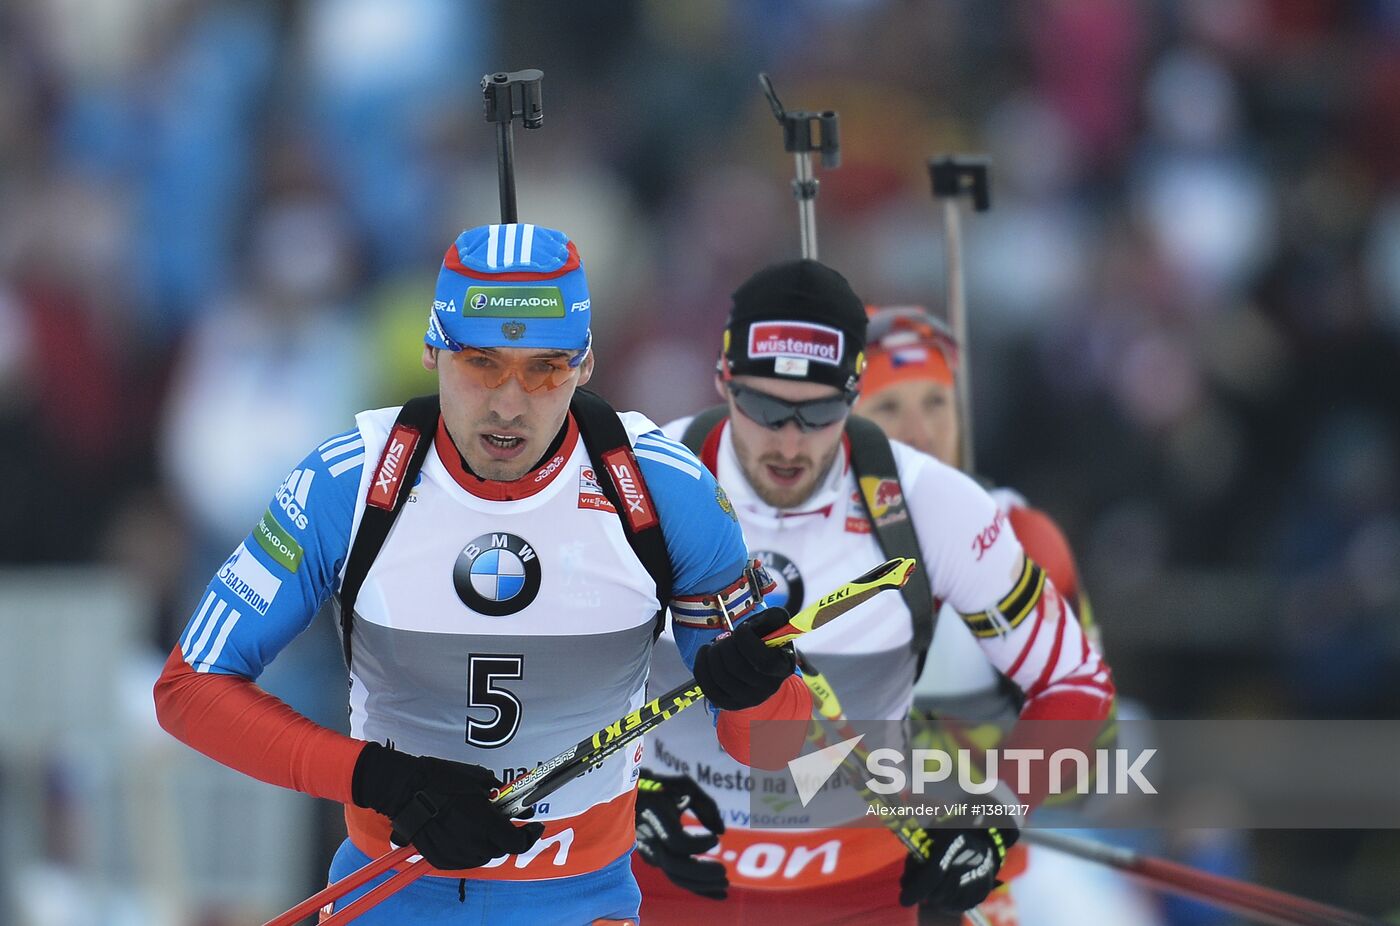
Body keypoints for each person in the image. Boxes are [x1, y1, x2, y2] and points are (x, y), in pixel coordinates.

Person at [152, 223, 814, 925]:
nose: (508, 403)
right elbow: (189, 686)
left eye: (544, 368)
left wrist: (759, 693)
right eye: (481, 363)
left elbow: (781, 751)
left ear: (586, 364)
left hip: (579, 902)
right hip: (387, 896)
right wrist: (383, 780)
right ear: (432, 351)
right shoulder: (350, 480)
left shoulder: (662, 490)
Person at [631, 260, 1115, 925]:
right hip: (669, 877)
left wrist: (993, 816)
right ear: (724, 381)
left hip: (857, 886)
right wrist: (632, 794)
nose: (789, 442)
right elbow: (549, 669)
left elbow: (1073, 681)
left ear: (855, 392)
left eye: (819, 412)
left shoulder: (930, 504)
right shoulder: (646, 479)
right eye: (764, 407)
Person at [856, 305, 1106, 925]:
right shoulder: (801, 540)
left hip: (965, 867)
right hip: (821, 860)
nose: (919, 431)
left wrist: (987, 809)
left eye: (937, 403)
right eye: (889, 408)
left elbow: (1087, 735)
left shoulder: (1020, 537)